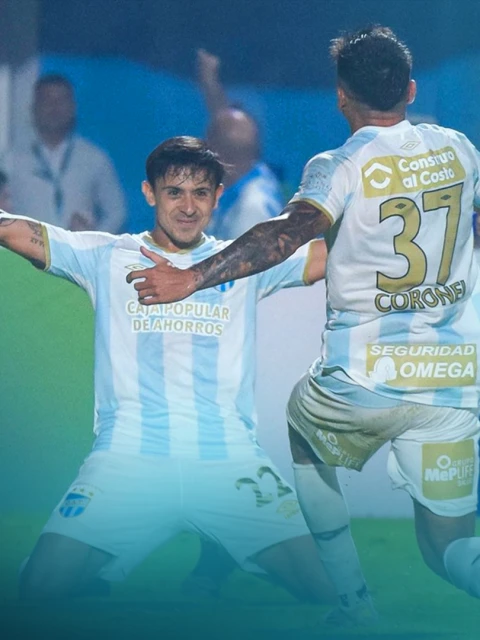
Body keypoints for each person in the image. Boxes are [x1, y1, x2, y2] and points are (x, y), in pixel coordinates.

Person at [129, 26, 480, 615]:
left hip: (362, 376)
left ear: (341, 97)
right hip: (452, 380)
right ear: (412, 90)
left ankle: (353, 603)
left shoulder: (338, 165)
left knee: (301, 429)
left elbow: (286, 234)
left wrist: (192, 277)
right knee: (449, 548)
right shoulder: (460, 149)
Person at [0, 136, 347, 612]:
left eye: (200, 193)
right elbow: (17, 232)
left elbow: (337, 256)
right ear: (149, 193)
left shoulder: (244, 261)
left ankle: (212, 554)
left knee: (329, 595)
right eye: (174, 192)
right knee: (39, 588)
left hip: (230, 464)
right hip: (128, 461)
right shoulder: (106, 255)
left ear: (217, 197)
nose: (188, 207)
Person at [1, 73, 126, 233]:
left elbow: (117, 212)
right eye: (47, 101)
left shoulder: (94, 158)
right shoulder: (11, 158)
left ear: (73, 107)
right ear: (33, 107)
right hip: (26, 247)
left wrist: (93, 242)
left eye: (61, 101)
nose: (54, 108)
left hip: (77, 247)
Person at [197, 49, 284, 240]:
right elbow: (225, 129)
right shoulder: (250, 169)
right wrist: (209, 82)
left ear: (218, 156)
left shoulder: (250, 212)